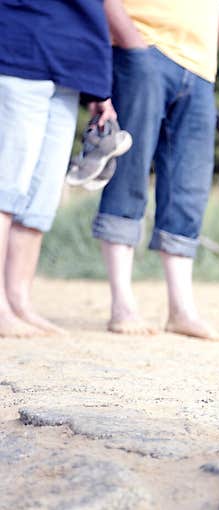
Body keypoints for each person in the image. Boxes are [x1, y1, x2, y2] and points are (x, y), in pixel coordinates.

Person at [93, 0, 219, 339]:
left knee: (189, 186)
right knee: (128, 172)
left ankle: (181, 309)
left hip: (199, 70)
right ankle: (122, 303)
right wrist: (132, 42)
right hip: (142, 49)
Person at [0, 0, 117, 338]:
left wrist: (97, 85)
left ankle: (19, 300)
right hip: (20, 46)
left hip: (70, 65)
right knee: (6, 187)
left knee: (41, 197)